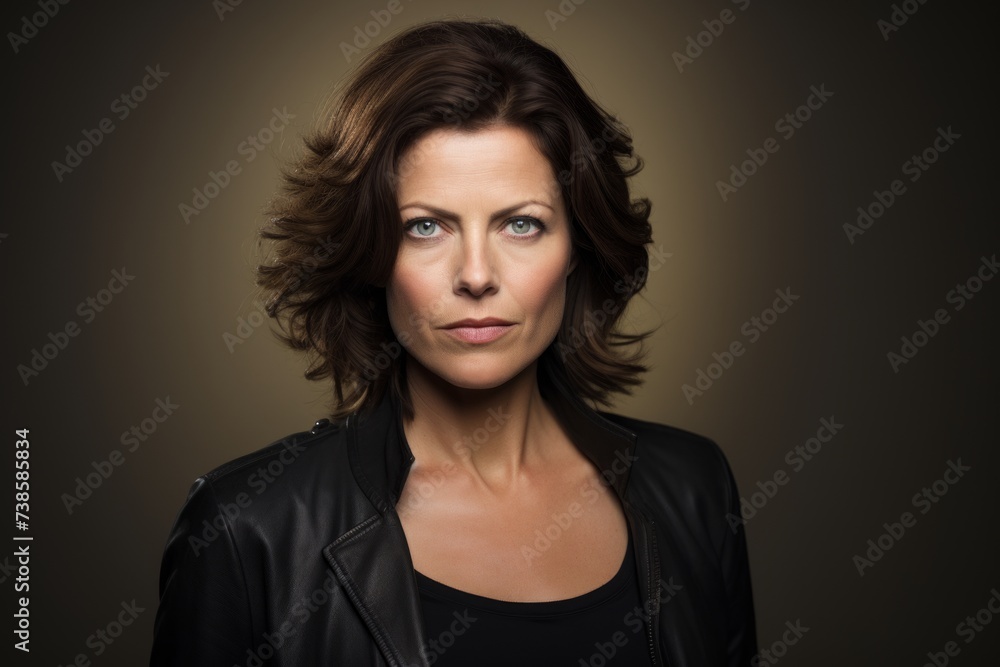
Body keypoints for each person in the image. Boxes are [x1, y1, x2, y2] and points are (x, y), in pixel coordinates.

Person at [150, 17, 757, 667]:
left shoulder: (693, 487)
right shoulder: (248, 527)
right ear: (370, 252)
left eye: (521, 223)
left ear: (578, 246)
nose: (475, 275)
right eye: (426, 227)